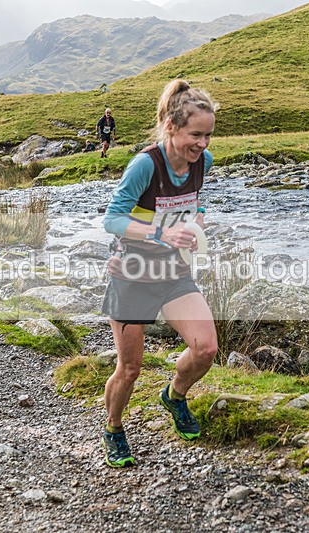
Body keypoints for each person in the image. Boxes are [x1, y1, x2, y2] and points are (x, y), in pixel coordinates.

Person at [99, 80, 217, 468]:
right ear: (171, 126)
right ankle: (114, 428)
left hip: (174, 272)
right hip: (131, 273)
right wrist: (161, 233)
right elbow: (112, 219)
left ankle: (174, 395)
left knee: (206, 349)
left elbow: (196, 203)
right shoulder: (145, 165)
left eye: (208, 135)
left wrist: (195, 227)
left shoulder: (204, 161)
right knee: (130, 368)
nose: (202, 144)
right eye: (195, 134)